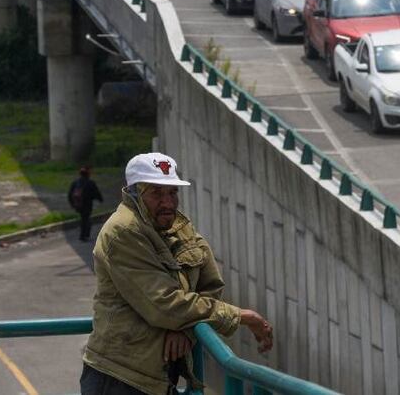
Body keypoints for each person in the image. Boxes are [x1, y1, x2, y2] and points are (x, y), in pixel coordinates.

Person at [81, 153, 273, 395]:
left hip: (157, 376)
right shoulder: (123, 232)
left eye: (172, 192)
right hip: (120, 377)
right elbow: (164, 305)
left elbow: (210, 284)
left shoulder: (176, 225)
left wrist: (183, 328)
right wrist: (242, 316)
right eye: (157, 193)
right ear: (134, 194)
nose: (168, 203)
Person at [68, 166, 103, 242]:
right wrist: (100, 199)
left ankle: (84, 235)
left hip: (78, 204)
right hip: (87, 204)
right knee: (86, 219)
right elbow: (96, 193)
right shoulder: (90, 183)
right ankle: (84, 235)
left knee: (83, 218)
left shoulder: (75, 183)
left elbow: (70, 194)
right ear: (88, 174)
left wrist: (72, 204)